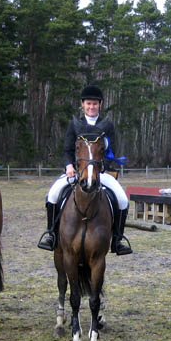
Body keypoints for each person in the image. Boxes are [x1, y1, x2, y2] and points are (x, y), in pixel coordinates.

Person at [37, 85, 132, 255]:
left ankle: (118, 239)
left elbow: (111, 151)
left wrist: (102, 167)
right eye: (88, 103)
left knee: (122, 199)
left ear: (100, 104)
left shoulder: (107, 125)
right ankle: (51, 234)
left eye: (95, 104)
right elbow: (67, 150)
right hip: (76, 172)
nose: (91, 107)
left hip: (100, 172)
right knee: (52, 195)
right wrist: (68, 166)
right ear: (82, 104)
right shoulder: (75, 125)